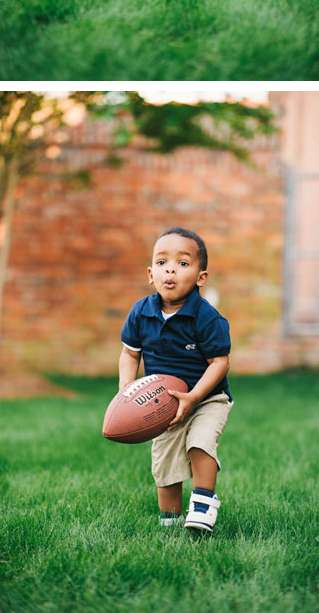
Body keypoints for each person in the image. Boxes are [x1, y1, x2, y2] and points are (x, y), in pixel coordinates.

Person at [118, 226, 233, 532]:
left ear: (200, 277)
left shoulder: (207, 317)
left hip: (207, 398)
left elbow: (219, 363)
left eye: (183, 263)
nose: (170, 269)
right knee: (165, 460)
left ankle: (203, 505)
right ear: (150, 273)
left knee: (200, 443)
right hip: (164, 403)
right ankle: (170, 520)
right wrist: (126, 388)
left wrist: (194, 397)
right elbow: (130, 354)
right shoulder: (141, 312)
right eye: (161, 262)